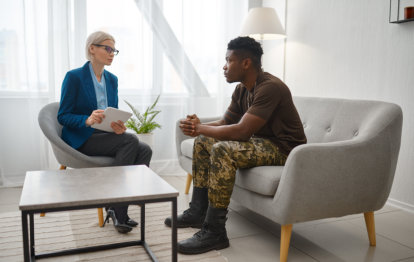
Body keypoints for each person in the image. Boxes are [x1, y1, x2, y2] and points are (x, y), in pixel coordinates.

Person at [164, 36, 307, 254]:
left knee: (222, 150)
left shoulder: (270, 88)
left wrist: (200, 128)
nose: (224, 66)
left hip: (284, 148)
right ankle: (198, 212)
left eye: (228, 60)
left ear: (246, 63)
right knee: (203, 142)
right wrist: (198, 126)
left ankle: (215, 232)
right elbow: (225, 123)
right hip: (261, 142)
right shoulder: (242, 89)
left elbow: (241, 132)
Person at [57, 31, 152, 234]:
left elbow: (112, 113)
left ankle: (121, 203)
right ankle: (118, 209)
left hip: (103, 136)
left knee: (144, 150)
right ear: (92, 48)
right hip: (82, 138)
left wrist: (117, 126)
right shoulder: (74, 77)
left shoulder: (112, 79)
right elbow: (63, 116)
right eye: (107, 48)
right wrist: (87, 119)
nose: (111, 54)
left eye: (114, 50)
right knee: (130, 142)